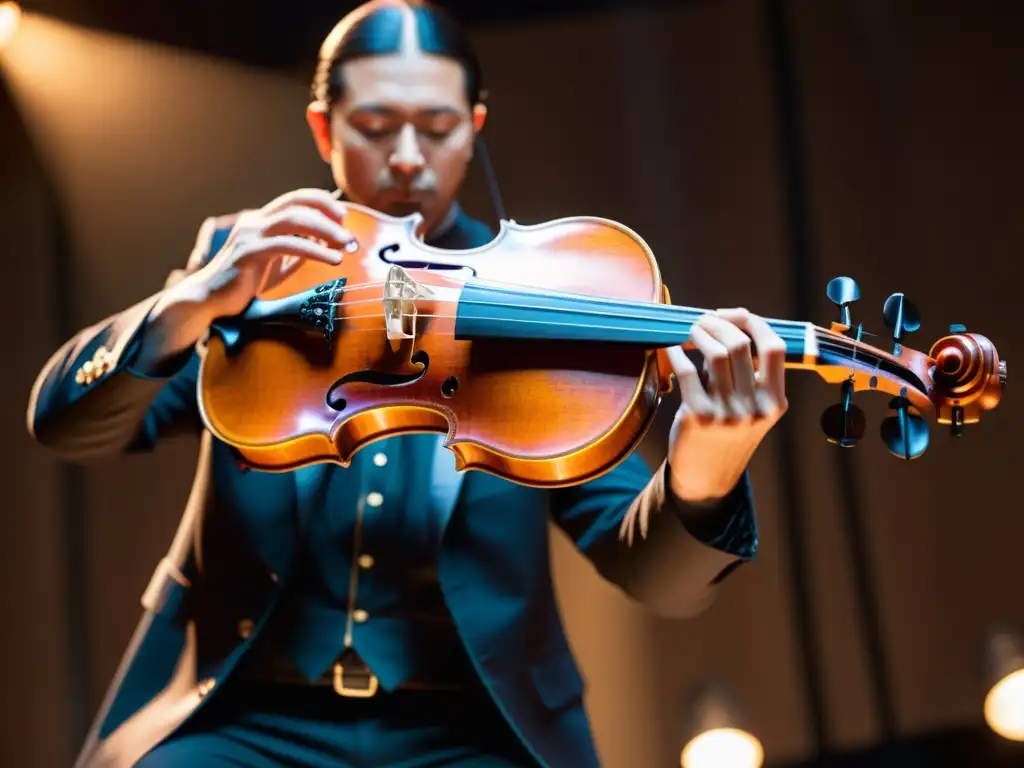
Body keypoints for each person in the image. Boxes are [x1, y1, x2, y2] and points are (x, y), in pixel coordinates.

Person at [26, 1, 788, 766]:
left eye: (437, 126)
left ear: (475, 128)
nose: (408, 159)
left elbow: (657, 578)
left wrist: (706, 468)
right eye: (377, 126)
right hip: (246, 713)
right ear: (324, 129)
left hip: (466, 727)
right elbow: (66, 422)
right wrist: (187, 305)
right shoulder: (256, 266)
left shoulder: (537, 294)